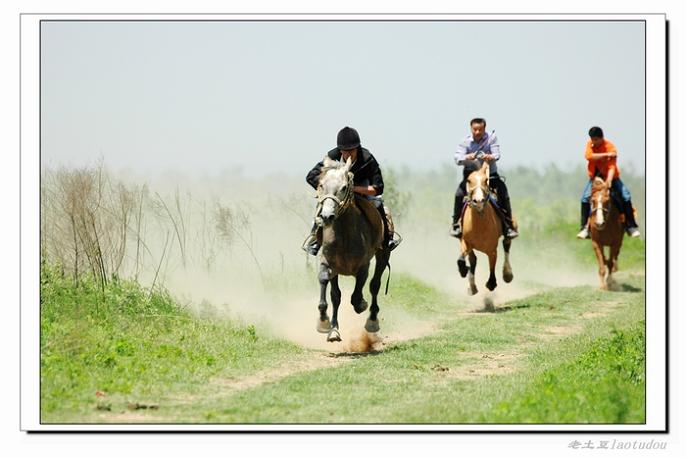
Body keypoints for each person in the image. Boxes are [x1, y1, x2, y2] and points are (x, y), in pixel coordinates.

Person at [302, 126, 401, 256]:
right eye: (345, 151)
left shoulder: (367, 159)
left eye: (352, 151)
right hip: (339, 192)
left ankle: (387, 239)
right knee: (324, 206)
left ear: (357, 148)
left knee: (378, 204)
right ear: (340, 150)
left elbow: (378, 188)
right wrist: (327, 188)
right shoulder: (332, 157)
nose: (349, 154)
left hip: (362, 189)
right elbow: (311, 176)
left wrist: (353, 189)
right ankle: (315, 240)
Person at [449, 118, 519, 239]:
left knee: (503, 193)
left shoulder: (491, 138)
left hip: (490, 177)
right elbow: (457, 158)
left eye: (480, 129)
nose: (477, 132)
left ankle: (508, 226)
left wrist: (489, 156)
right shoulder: (465, 142)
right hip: (471, 179)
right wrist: (468, 156)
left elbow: (497, 154)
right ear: (471, 129)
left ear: (484, 128)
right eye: (475, 129)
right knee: (458, 194)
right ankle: (456, 224)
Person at [576, 126, 640, 239]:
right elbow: (589, 156)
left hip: (612, 177)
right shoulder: (590, 144)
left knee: (626, 196)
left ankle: (630, 226)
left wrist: (609, 181)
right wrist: (606, 155)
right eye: (592, 139)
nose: (594, 142)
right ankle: (585, 228)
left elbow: (611, 167)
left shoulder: (610, 147)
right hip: (595, 178)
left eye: (596, 139)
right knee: (585, 198)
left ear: (601, 138)